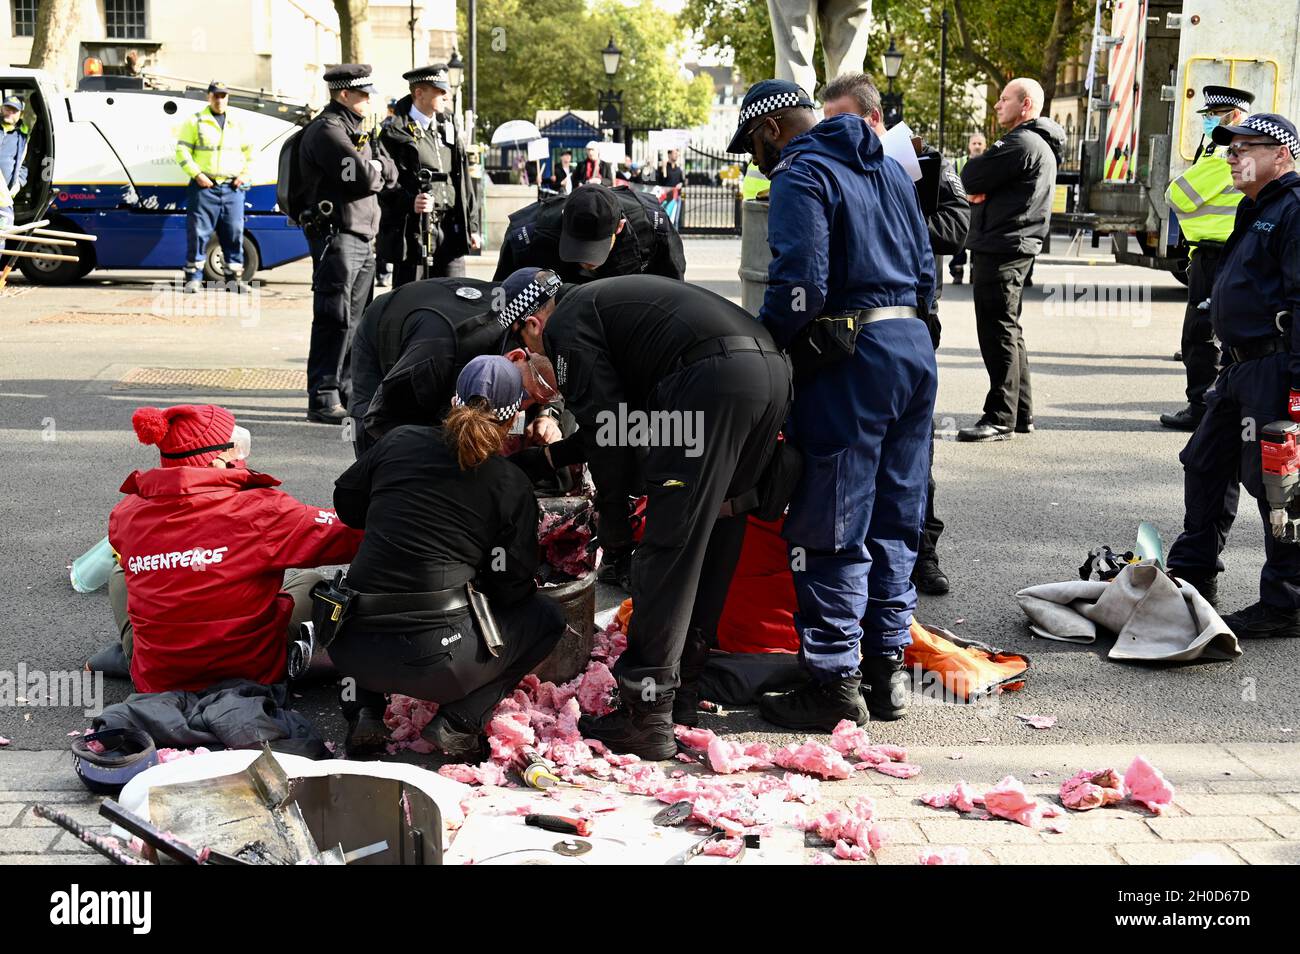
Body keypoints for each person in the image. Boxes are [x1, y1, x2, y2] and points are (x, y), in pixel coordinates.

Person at [723, 79, 935, 730]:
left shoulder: (799, 173)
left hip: (850, 358)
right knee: (896, 519)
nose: (756, 165)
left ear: (768, 131)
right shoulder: (890, 168)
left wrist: (766, 352)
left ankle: (834, 684)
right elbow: (927, 271)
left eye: (752, 151)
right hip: (912, 349)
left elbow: (799, 288)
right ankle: (886, 673)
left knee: (833, 524)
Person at [511, 274, 791, 756]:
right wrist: (547, 459)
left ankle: (647, 710)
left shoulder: (566, 327)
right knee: (722, 519)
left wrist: (616, 534)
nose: (542, 387)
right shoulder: (614, 307)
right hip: (769, 374)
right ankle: (683, 689)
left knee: (669, 548)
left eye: (531, 366)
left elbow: (607, 430)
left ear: (533, 329)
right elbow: (621, 423)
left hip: (710, 384)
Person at [331, 356, 566, 758]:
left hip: (351, 645)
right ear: (511, 420)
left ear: (453, 399)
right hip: (443, 662)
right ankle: (459, 721)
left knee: (364, 593)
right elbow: (513, 586)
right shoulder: (509, 482)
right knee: (547, 619)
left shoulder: (399, 440)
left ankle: (364, 711)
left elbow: (348, 506)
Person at [822, 71, 970, 598]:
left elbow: (957, 226)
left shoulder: (922, 161)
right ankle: (869, 572)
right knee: (859, 459)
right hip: (862, 329)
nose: (832, 132)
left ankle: (922, 553)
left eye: (841, 120)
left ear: (874, 118)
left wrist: (888, 219)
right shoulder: (831, 170)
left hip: (910, 318)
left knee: (913, 458)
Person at [102, 404, 362, 693]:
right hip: (251, 673)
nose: (241, 454)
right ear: (214, 462)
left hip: (159, 680)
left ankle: (143, 656)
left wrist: (184, 558)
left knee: (120, 573)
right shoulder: (264, 510)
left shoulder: (126, 513)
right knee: (311, 582)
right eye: (235, 446)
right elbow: (352, 535)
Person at [1166, 113, 1300, 637]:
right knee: (1204, 461)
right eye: (1230, 147)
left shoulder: (1292, 209)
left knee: (1277, 484)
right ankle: (1194, 571)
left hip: (1273, 366)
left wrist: (1295, 388)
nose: (1232, 155)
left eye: (1248, 147)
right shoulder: (1254, 206)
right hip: (1238, 366)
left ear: (1282, 155)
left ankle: (1286, 602)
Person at [351, 269, 561, 456]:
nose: (522, 411)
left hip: (440, 322)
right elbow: (381, 419)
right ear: (515, 356)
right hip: (387, 328)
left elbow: (551, 381)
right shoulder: (446, 349)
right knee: (386, 446)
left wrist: (548, 415)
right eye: (531, 395)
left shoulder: (537, 334)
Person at [956, 79, 1064, 442]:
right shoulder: (1038, 144)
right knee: (1009, 328)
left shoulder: (1020, 142)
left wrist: (981, 183)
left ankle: (1000, 415)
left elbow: (970, 176)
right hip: (1013, 243)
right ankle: (1020, 412)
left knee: (996, 330)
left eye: (1004, 99)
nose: (997, 105)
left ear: (1026, 104)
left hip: (1002, 244)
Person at [299, 64, 399, 426]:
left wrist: (373, 166)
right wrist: (372, 168)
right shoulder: (327, 130)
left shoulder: (357, 130)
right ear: (345, 95)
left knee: (357, 322)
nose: (369, 100)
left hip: (361, 235)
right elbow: (359, 177)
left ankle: (347, 392)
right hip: (337, 236)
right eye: (363, 94)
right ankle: (323, 395)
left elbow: (390, 173)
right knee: (334, 318)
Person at [1160, 85, 1255, 432]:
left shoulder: (1224, 155)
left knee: (1200, 335)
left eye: (1213, 115)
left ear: (1234, 116)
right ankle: (1216, 404)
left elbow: (1178, 195)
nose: (1208, 121)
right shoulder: (1234, 153)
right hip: (1222, 251)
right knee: (1218, 332)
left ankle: (1202, 407)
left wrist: (1186, 179)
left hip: (1215, 254)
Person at [377, 64, 480, 288]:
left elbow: (462, 180)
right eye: (439, 91)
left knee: (455, 297)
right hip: (415, 231)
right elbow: (383, 184)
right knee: (411, 299)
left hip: (450, 229)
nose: (446, 96)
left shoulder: (448, 124)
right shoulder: (394, 133)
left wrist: (471, 225)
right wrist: (409, 201)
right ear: (419, 93)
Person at [493, 182, 686, 284]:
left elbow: (675, 292)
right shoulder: (526, 236)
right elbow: (501, 299)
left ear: (619, 227)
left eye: (594, 248)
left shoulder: (651, 225)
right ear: (563, 221)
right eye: (578, 245)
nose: (586, 260)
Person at [173, 81, 253, 293]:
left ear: (228, 98)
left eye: (223, 96)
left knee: (234, 233)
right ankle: (193, 278)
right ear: (209, 97)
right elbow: (181, 152)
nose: (219, 99)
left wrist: (244, 175)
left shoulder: (237, 123)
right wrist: (197, 175)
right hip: (204, 187)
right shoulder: (196, 121)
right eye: (216, 95)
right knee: (198, 234)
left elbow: (251, 154)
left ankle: (234, 280)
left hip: (232, 188)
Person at [948, 132, 986, 284]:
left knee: (977, 243)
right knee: (960, 242)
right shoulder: (958, 163)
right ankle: (958, 271)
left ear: (985, 146)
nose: (977, 146)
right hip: (961, 209)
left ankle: (974, 272)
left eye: (980, 143)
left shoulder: (988, 162)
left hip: (981, 209)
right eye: (974, 143)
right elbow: (949, 183)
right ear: (969, 146)